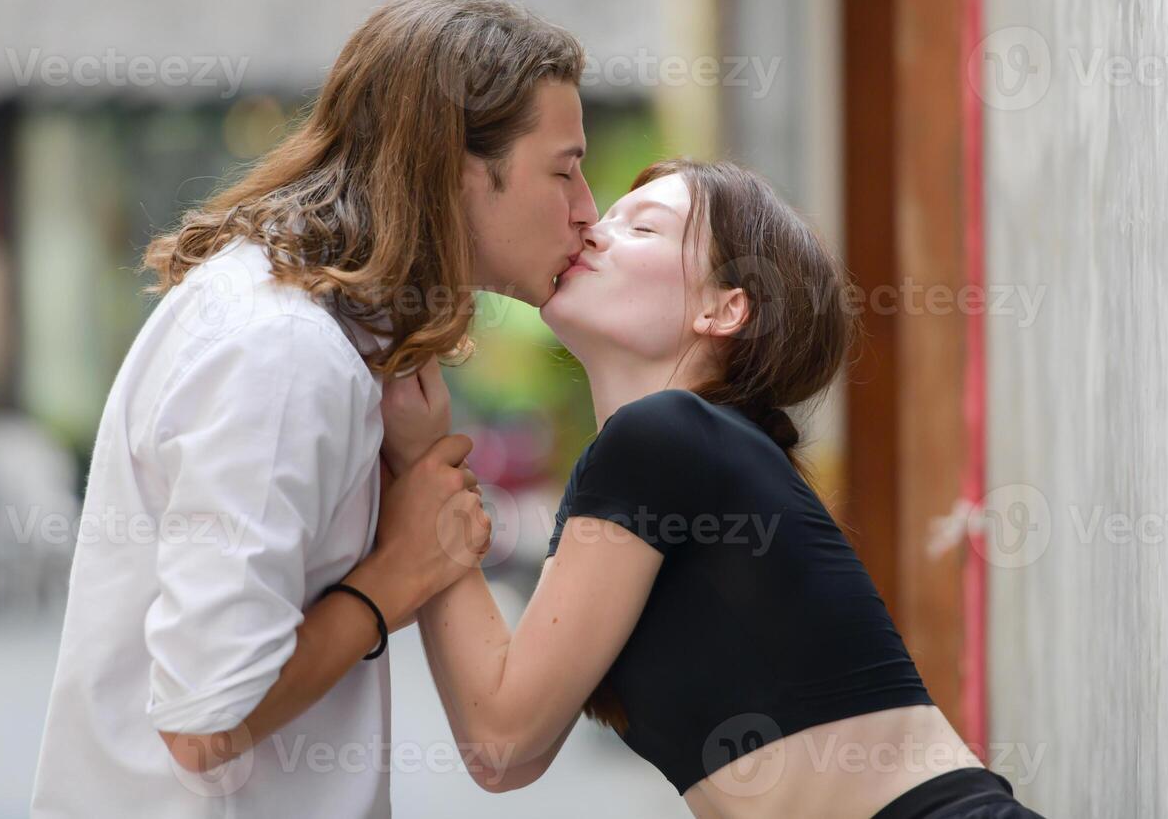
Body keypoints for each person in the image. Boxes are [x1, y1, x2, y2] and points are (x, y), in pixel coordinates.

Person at [30, 0, 600, 817]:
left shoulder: (312, 331)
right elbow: (206, 721)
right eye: (563, 170)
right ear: (456, 171)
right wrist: (395, 576)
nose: (587, 210)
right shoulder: (287, 351)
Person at [381, 158, 1049, 819]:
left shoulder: (667, 434)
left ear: (726, 308)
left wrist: (424, 468)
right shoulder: (642, 460)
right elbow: (505, 754)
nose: (589, 230)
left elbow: (503, 738)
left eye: (642, 229)